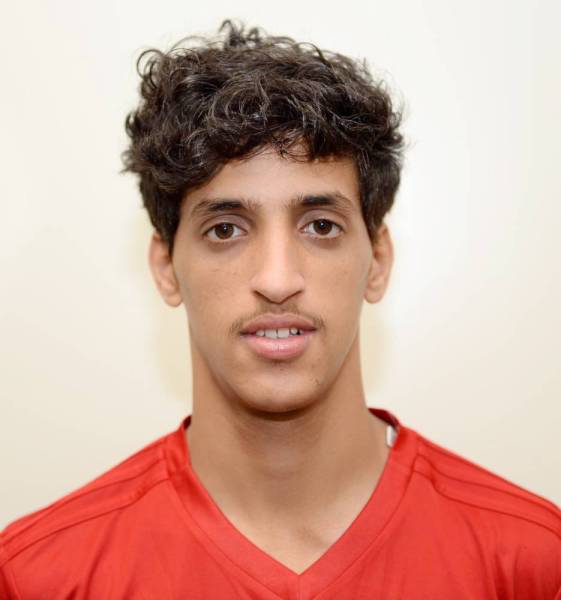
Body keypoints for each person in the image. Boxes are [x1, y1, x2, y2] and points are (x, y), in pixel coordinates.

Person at [1, 19, 560, 599]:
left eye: (321, 226)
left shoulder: (533, 563)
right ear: (166, 267)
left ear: (378, 261)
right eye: (225, 229)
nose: (276, 280)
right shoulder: (41, 577)